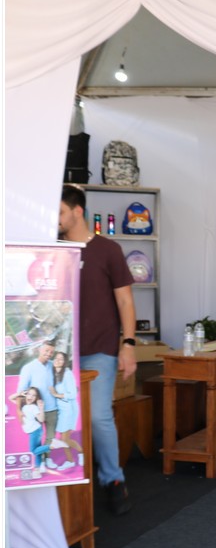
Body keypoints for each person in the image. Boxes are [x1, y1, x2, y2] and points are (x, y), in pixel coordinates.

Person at [60, 184, 135, 515]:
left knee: (98, 415)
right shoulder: (50, 250)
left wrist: (128, 344)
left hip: (99, 347)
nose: (55, 219)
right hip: (57, 352)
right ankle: (61, 482)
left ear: (77, 211)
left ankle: (113, 480)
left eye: (60, 212)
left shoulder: (108, 250)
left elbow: (125, 300)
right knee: (59, 417)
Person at [15, 342, 58, 444]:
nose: (49, 354)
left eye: (51, 352)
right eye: (46, 350)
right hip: (35, 410)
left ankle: (46, 455)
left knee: (51, 438)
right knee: (36, 439)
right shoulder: (28, 368)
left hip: (52, 409)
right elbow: (21, 390)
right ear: (39, 350)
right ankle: (39, 455)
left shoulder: (53, 366)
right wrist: (18, 410)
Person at [49, 351, 84, 469]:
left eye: (61, 359)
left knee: (64, 438)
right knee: (63, 438)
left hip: (69, 409)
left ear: (64, 362)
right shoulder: (53, 373)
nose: (58, 360)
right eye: (56, 358)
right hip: (61, 409)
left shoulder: (67, 374)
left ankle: (81, 453)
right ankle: (70, 461)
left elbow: (73, 394)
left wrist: (56, 394)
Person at [13, 387, 51, 474]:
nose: (31, 396)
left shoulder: (33, 407)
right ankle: (38, 468)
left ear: (36, 398)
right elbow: (10, 398)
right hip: (34, 431)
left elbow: (41, 419)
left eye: (34, 395)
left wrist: (41, 408)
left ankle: (51, 446)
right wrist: (20, 394)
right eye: (29, 394)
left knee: (33, 451)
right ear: (26, 394)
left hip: (35, 431)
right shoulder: (23, 405)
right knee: (38, 451)